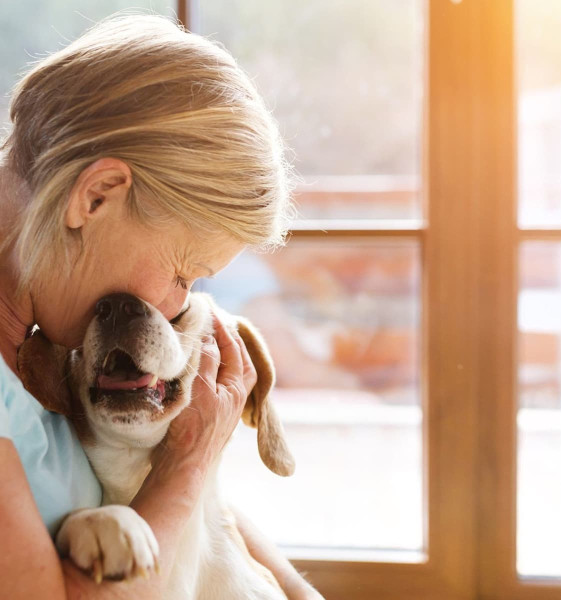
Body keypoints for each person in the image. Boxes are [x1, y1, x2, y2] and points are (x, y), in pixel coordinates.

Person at [0, 14, 322, 600]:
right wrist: (188, 462)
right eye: (182, 273)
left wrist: (300, 591)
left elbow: (199, 518)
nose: (175, 305)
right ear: (96, 196)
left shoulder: (46, 339)